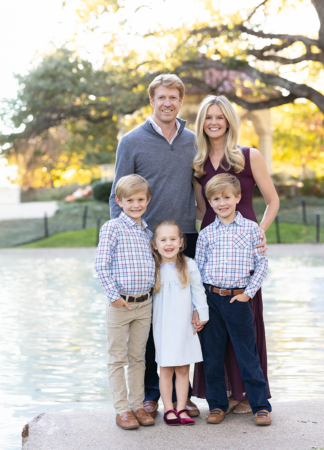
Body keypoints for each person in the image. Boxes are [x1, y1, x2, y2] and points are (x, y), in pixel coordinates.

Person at [108, 74, 201, 419]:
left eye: (173, 97)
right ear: (152, 100)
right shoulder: (131, 141)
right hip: (144, 241)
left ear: (180, 101)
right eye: (161, 97)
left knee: (182, 316)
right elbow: (117, 196)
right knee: (150, 320)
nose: (167, 103)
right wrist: (124, 241)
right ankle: (149, 396)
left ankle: (182, 396)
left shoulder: (193, 140)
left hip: (183, 239)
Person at [191, 95, 279, 414]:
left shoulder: (248, 156)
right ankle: (221, 396)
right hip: (214, 253)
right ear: (202, 122)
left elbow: (272, 201)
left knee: (245, 329)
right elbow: (202, 209)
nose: (214, 122)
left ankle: (245, 395)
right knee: (214, 330)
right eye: (208, 117)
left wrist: (259, 233)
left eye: (219, 117)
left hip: (243, 255)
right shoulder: (197, 164)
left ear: (229, 120)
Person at [196, 174, 272, 426]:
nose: (222, 203)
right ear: (210, 202)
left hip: (238, 300)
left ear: (238, 197)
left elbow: (262, 265)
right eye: (216, 199)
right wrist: (199, 304)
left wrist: (247, 294)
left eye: (227, 197)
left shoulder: (252, 229)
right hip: (211, 299)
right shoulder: (206, 234)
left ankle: (260, 406)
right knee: (212, 356)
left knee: (247, 354)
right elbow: (198, 270)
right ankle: (217, 405)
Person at [94, 174, 157, 430]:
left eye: (140, 200)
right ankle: (122, 410)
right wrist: (115, 298)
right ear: (119, 201)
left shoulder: (148, 232)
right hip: (121, 305)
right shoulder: (112, 228)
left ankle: (137, 405)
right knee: (117, 358)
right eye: (129, 200)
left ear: (148, 200)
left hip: (144, 304)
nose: (135, 205)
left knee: (138, 358)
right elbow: (101, 265)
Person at [149, 219, 210, 426]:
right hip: (163, 326)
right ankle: (168, 409)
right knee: (166, 369)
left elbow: (198, 291)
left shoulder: (189, 264)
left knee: (184, 369)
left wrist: (201, 314)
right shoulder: (153, 267)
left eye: (173, 239)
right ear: (155, 244)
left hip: (184, 325)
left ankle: (182, 407)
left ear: (181, 242)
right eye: (163, 239)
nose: (169, 244)